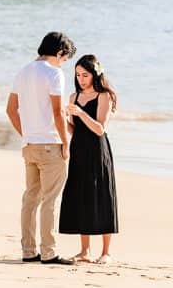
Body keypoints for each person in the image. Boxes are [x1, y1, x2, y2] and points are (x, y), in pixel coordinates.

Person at [5, 31, 77, 265]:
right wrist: (66, 143)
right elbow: (57, 113)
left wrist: (26, 134)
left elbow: (10, 110)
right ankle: (48, 252)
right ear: (59, 53)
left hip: (30, 145)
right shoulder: (54, 73)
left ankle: (28, 250)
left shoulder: (23, 71)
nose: (64, 63)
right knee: (49, 200)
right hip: (50, 144)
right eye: (65, 59)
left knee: (30, 198)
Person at [59, 54, 119, 264]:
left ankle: (106, 252)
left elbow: (100, 129)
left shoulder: (104, 96)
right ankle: (84, 250)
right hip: (79, 150)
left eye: (85, 74)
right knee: (81, 195)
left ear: (95, 74)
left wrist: (81, 113)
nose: (81, 79)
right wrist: (62, 118)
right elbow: (74, 130)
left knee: (102, 195)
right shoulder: (73, 97)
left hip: (97, 151)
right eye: (78, 75)